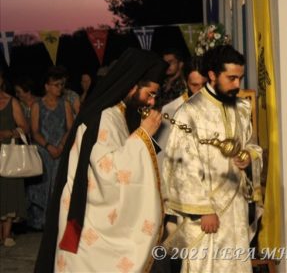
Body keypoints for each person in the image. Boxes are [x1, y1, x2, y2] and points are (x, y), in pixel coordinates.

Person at [34, 48, 168, 273]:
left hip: (93, 210)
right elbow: (107, 172)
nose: (152, 101)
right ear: (133, 86)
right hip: (88, 215)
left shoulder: (119, 113)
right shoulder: (105, 117)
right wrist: (143, 136)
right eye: (150, 93)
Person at [162, 45, 262, 272]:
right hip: (205, 215)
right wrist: (203, 209)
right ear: (213, 75)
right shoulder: (190, 112)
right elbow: (181, 165)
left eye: (240, 78)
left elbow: (252, 144)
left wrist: (249, 156)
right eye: (231, 78)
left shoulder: (241, 108)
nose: (237, 85)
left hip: (235, 208)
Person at [28, 67, 74, 230]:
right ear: (47, 86)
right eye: (56, 85)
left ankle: (58, 221)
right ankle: (41, 221)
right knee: (42, 186)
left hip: (61, 150)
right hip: (44, 150)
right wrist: (48, 147)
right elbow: (34, 131)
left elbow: (70, 128)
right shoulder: (37, 105)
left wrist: (60, 146)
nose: (59, 88)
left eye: (61, 85)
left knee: (59, 185)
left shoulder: (65, 104)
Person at [0, 68, 29, 247]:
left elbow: (24, 128)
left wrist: (8, 133)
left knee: (9, 188)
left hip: (9, 153)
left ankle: (7, 234)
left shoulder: (11, 102)